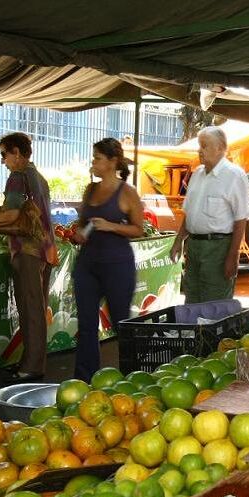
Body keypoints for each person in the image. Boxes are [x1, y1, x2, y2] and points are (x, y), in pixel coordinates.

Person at [0, 132, 57, 382]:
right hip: (43, 249)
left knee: (31, 308)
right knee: (36, 306)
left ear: (17, 153)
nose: (3, 160)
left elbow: (11, 215)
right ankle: (31, 361)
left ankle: (32, 366)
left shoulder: (18, 177)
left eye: (4, 154)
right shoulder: (38, 177)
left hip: (29, 250)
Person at [71, 138, 145, 382]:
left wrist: (111, 226)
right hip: (87, 265)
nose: (93, 162)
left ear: (113, 162)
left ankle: (131, 377)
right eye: (93, 158)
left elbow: (138, 229)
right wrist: (78, 234)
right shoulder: (90, 190)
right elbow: (81, 226)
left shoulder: (127, 192)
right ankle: (85, 380)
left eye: (98, 158)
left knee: (121, 322)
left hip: (117, 267)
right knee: (86, 325)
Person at [170, 127, 249, 304]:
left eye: (204, 146)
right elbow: (190, 213)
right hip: (194, 247)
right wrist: (178, 241)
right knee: (192, 299)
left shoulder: (234, 175)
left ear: (220, 148)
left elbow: (241, 221)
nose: (200, 151)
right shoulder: (198, 174)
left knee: (215, 304)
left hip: (219, 248)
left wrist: (233, 256)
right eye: (199, 146)